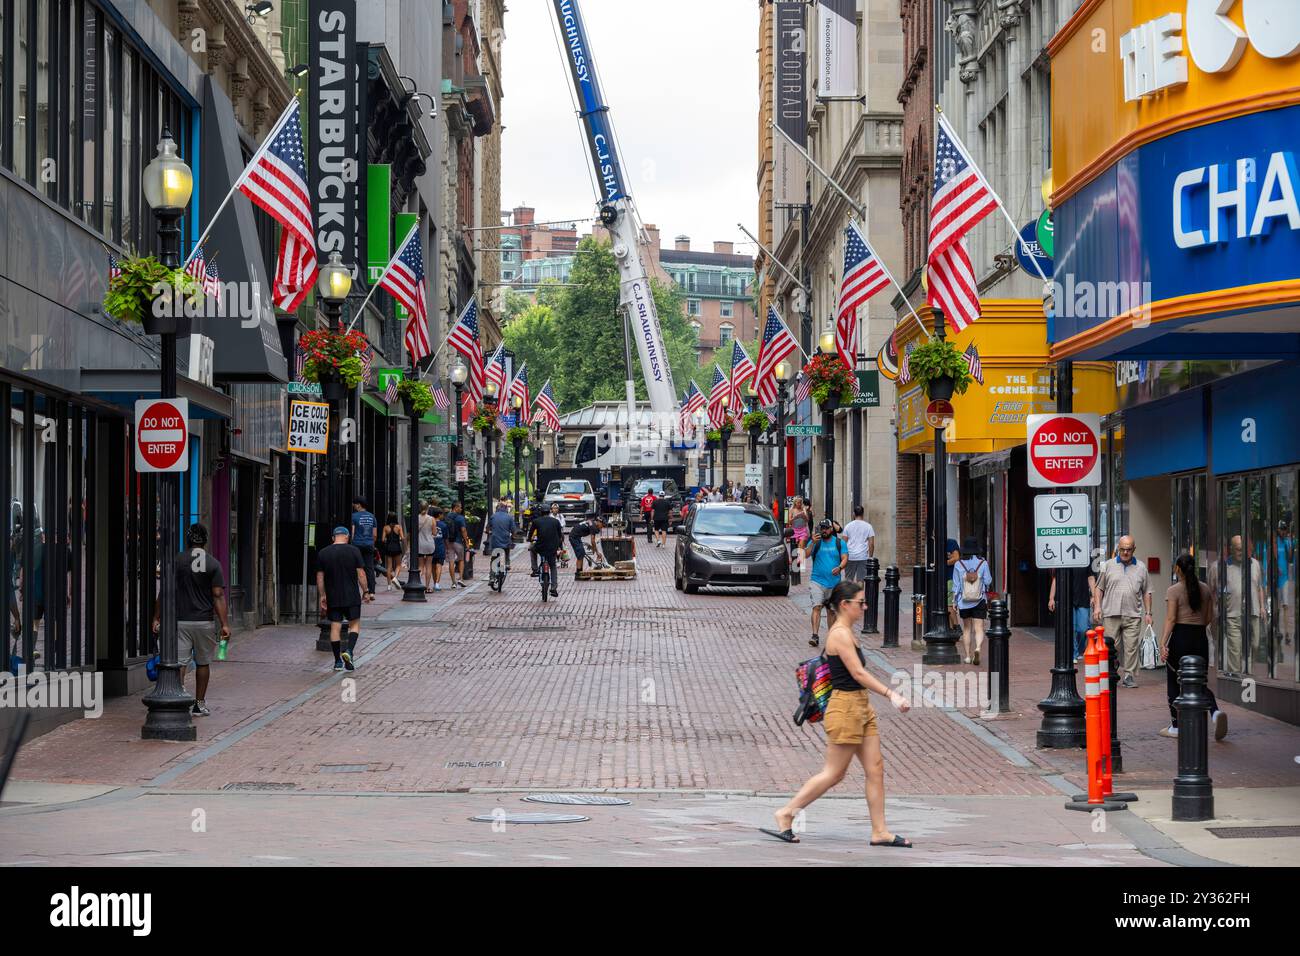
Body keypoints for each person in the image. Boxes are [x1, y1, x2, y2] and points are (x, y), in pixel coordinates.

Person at [763, 580, 912, 847]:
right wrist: (892, 694)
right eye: (860, 603)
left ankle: (880, 831)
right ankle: (786, 813)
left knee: (875, 768)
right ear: (844, 605)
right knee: (834, 773)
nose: (865, 607)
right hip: (845, 708)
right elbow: (857, 673)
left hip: (860, 706)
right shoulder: (839, 634)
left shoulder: (847, 631)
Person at [152, 523, 230, 717]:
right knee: (203, 663)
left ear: (187, 541)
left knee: (179, 663)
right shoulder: (213, 563)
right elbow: (218, 595)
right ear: (205, 541)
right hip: (204, 622)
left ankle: (178, 700)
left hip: (180, 620)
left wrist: (156, 617)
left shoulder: (177, 561)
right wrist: (225, 624)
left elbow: (165, 592)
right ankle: (199, 703)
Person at [1160, 553, 1228, 741]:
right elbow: (1208, 618)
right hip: (1199, 639)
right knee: (1200, 682)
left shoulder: (1173, 590)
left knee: (1174, 680)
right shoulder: (1205, 589)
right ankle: (1215, 712)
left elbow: (1172, 618)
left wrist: (1163, 643)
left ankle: (1176, 726)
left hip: (1180, 638)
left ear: (1177, 569)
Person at [1093, 535, 1152, 687]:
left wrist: (1148, 613)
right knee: (1113, 647)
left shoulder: (1141, 567)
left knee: (1131, 646)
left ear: (1134, 549)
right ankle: (1111, 672)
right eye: (1122, 549)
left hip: (1132, 613)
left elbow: (1147, 592)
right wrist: (1098, 607)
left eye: (1129, 549)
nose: (1125, 552)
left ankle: (1129, 676)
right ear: (1118, 548)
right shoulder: (1107, 565)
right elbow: (1099, 588)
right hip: (1111, 613)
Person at [316, 527, 369, 671]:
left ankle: (337, 661)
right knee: (354, 625)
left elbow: (320, 577)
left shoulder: (323, 553)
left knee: (335, 626)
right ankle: (349, 651)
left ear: (333, 537)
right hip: (351, 595)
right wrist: (366, 591)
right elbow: (361, 574)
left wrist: (322, 595)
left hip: (333, 596)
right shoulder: (354, 551)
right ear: (347, 536)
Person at [1210, 534, 1263, 675]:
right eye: (1238, 549)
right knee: (1235, 647)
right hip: (1232, 613)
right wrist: (1216, 611)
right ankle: (1236, 675)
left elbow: (1259, 587)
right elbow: (1213, 591)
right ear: (1231, 549)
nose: (1241, 552)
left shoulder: (1255, 564)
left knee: (1255, 643)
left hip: (1253, 611)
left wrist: (1262, 606)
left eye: (1243, 549)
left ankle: (1248, 669)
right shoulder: (1222, 567)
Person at [953, 536, 992, 665]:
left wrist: (954, 601)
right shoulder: (983, 563)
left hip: (964, 601)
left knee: (967, 628)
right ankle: (978, 648)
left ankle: (968, 656)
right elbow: (988, 581)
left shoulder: (958, 564)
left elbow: (956, 585)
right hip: (979, 599)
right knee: (979, 627)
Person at [808, 519, 847, 648]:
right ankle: (815, 635)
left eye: (826, 528)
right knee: (817, 607)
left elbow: (845, 558)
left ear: (831, 529)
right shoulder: (816, 542)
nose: (824, 530)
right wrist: (811, 543)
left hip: (834, 583)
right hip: (817, 581)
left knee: (831, 611)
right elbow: (805, 555)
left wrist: (840, 568)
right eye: (822, 528)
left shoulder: (839, 543)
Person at [1049, 565, 1097, 662]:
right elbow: (1056, 580)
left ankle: (1079, 650)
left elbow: (1091, 577)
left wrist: (1093, 595)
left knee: (1083, 629)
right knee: (1072, 628)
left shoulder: (1085, 560)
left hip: (1083, 599)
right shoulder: (1064, 559)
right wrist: (1051, 598)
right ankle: (1073, 654)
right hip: (1066, 599)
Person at [529, 506, 564, 598]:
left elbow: (530, 533)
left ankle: (535, 569)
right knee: (553, 566)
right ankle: (553, 588)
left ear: (541, 513)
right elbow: (560, 536)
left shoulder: (536, 521)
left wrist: (529, 539)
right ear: (549, 512)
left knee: (532, 549)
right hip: (553, 547)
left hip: (540, 546)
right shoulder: (556, 521)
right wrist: (560, 547)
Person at [351, 497, 378, 596]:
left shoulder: (354, 517)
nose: (354, 506)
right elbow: (375, 534)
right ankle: (371, 592)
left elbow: (353, 532)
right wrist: (371, 543)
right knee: (369, 568)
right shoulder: (372, 517)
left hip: (357, 545)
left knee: (356, 567)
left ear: (358, 504)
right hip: (369, 544)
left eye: (354, 504)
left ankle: (357, 591)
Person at [841, 505, 876, 583]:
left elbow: (843, 543)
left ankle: (849, 595)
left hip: (850, 556)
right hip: (863, 557)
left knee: (848, 579)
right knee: (861, 580)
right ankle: (860, 595)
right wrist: (870, 557)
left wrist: (843, 557)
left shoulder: (848, 526)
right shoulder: (868, 527)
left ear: (853, 514)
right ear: (863, 514)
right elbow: (871, 544)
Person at [484, 500, 517, 578]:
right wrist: (513, 536)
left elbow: (488, 528)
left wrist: (488, 532)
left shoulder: (493, 516)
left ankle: (492, 577)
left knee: (494, 558)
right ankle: (507, 563)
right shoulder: (509, 517)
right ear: (506, 509)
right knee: (507, 551)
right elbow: (514, 530)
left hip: (495, 541)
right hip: (505, 540)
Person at [380, 513, 406, 592]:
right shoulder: (399, 527)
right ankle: (395, 578)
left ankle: (389, 586)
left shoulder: (385, 527)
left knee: (389, 567)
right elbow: (402, 538)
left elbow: (382, 539)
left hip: (388, 548)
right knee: (398, 565)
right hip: (397, 547)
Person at [447, 501, 470, 588]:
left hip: (449, 542)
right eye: (460, 507)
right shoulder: (460, 518)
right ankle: (460, 578)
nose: (461, 509)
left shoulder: (447, 516)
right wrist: (467, 541)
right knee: (461, 560)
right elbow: (463, 530)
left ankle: (453, 582)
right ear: (455, 507)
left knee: (451, 561)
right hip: (458, 542)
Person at [417, 503, 437, 593]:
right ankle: (427, 586)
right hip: (429, 544)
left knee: (420, 566)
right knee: (429, 565)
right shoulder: (431, 519)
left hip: (419, 544)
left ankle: (418, 584)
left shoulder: (416, 518)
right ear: (427, 508)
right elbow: (434, 533)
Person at [788, 497, 810, 571]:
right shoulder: (792, 510)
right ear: (795, 503)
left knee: (801, 547)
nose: (799, 504)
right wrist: (795, 517)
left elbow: (807, 520)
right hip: (794, 530)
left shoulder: (803, 509)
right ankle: (795, 564)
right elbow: (789, 522)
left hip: (803, 530)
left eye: (800, 502)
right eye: (798, 503)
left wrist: (804, 515)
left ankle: (801, 565)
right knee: (795, 548)